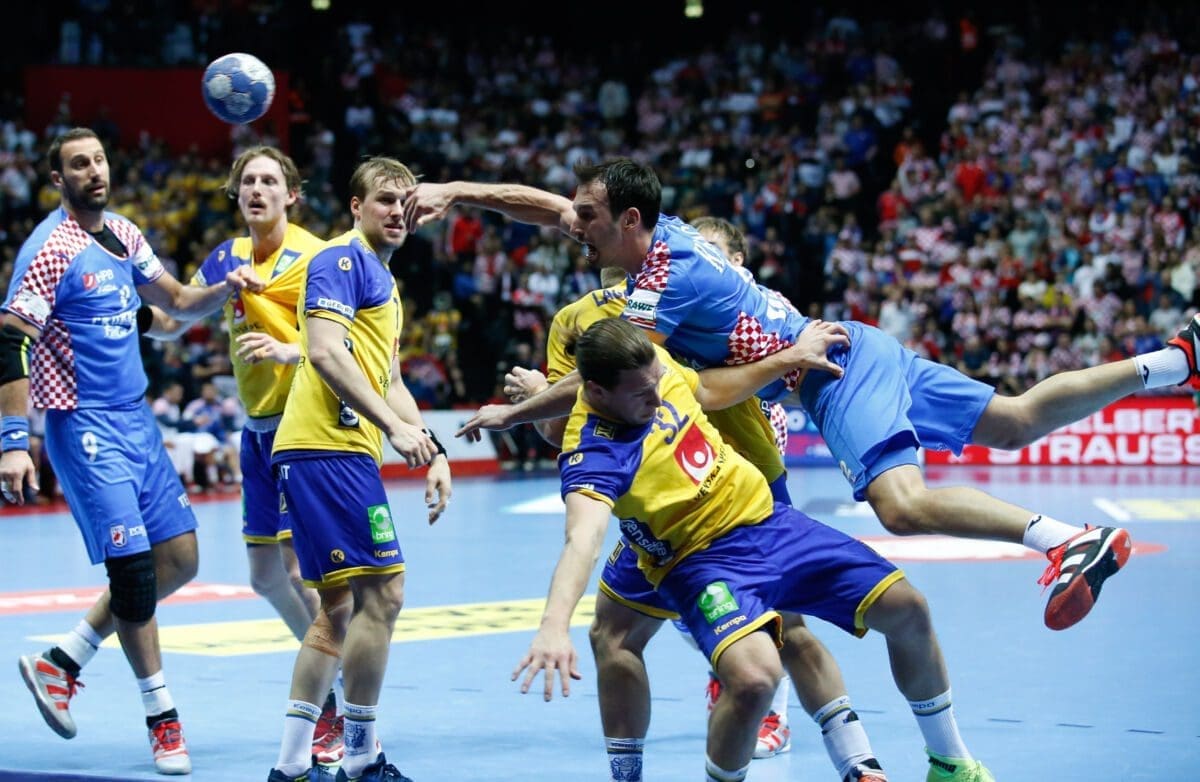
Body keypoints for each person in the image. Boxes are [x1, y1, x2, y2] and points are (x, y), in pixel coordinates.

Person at [406, 159, 1200, 630]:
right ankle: (1176, 361)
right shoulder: (660, 233)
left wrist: (515, 410)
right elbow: (545, 206)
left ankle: (1068, 539)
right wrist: (458, 189)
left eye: (588, 217)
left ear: (630, 219)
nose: (573, 226)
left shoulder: (664, 282)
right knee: (1018, 420)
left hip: (832, 372)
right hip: (853, 345)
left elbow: (616, 377)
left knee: (901, 506)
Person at [516, 317, 994, 782]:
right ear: (598, 393)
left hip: (772, 523)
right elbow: (582, 540)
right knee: (754, 679)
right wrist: (553, 627)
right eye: (642, 394)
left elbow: (705, 389)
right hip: (703, 560)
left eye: (657, 382)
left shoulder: (653, 363)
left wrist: (792, 356)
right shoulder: (594, 454)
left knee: (908, 608)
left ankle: (948, 764)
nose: (658, 398)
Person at [506, 265, 873, 778]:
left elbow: (723, 388)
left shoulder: (724, 302)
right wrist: (523, 408)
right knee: (613, 634)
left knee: (785, 631)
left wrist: (794, 354)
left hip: (744, 491)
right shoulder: (606, 322)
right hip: (663, 517)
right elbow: (573, 421)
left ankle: (845, 755)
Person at [1, 127, 260, 775]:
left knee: (181, 559)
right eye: (78, 164)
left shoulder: (123, 233)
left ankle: (60, 662)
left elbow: (175, 302)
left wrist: (225, 289)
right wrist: (14, 442)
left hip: (138, 422)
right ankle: (162, 719)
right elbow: (10, 339)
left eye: (98, 160)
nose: (94, 170)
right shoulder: (49, 249)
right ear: (57, 180)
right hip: (83, 427)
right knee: (135, 573)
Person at [147, 145, 345, 765]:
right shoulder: (227, 258)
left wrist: (291, 352)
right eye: (248, 182)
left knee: (300, 571)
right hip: (256, 431)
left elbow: (353, 345)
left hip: (303, 427)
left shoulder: (317, 258)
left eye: (269, 181)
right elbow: (176, 319)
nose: (257, 190)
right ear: (237, 196)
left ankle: (334, 702)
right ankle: (334, 680)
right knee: (264, 576)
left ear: (292, 194)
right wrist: (121, 315)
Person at [266, 156, 452, 782]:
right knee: (385, 593)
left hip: (330, 450)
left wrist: (433, 448)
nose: (397, 210)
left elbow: (390, 380)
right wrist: (394, 428)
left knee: (337, 610)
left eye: (405, 201)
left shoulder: (382, 280)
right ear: (356, 206)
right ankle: (363, 758)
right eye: (384, 199)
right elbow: (324, 352)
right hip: (329, 447)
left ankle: (291, 767)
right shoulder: (341, 260)